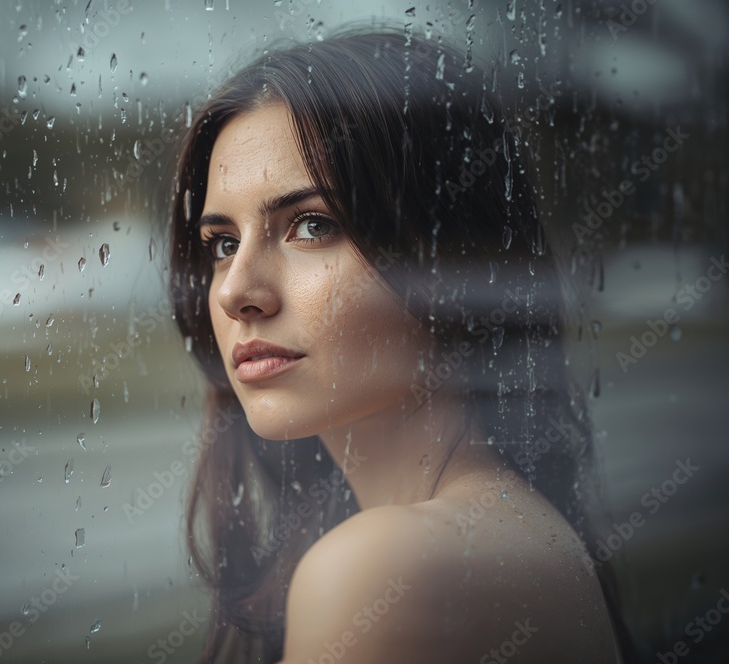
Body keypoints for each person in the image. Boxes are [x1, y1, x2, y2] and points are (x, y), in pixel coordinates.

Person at [167, 28, 629, 663]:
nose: (236, 292)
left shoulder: (384, 570)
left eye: (310, 225)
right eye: (223, 243)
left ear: (448, 257)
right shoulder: (516, 530)